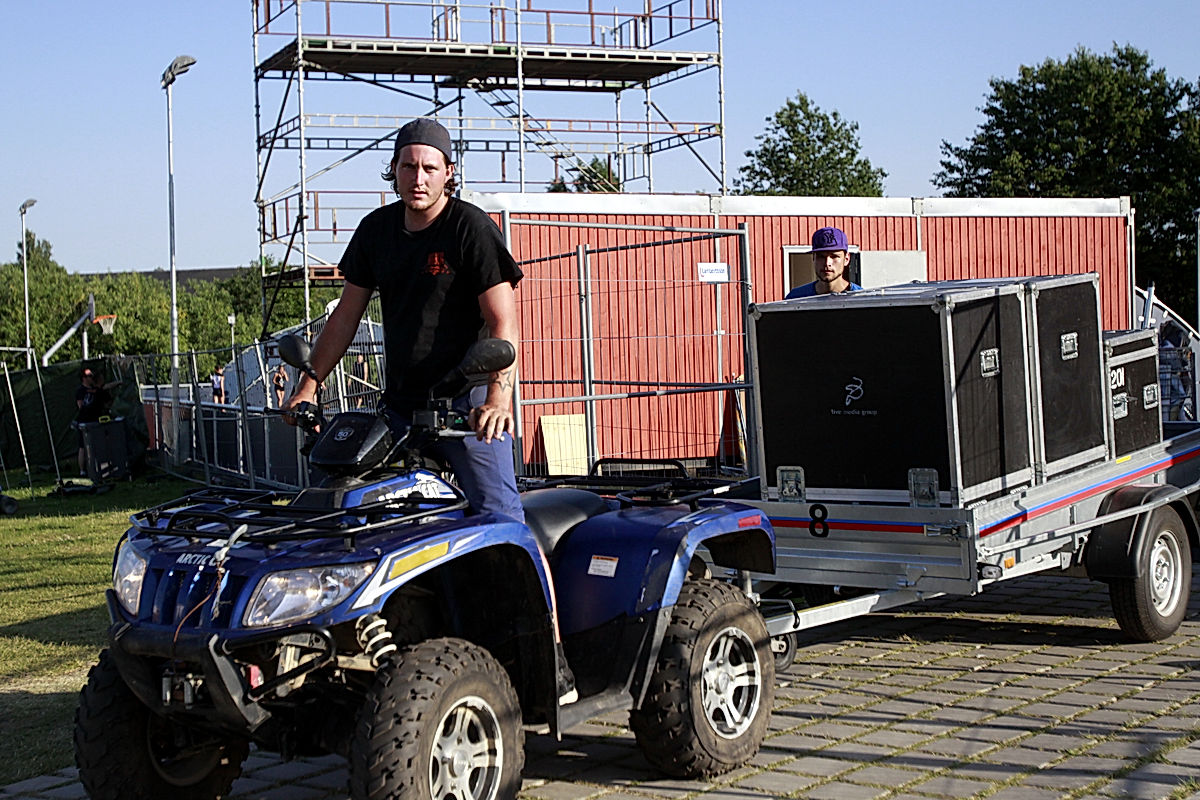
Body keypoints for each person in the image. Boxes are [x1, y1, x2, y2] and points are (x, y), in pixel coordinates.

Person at [282, 118, 525, 523]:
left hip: (466, 404)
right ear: (394, 170)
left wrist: (497, 401)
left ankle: (525, 564)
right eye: (409, 166)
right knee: (344, 508)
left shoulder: (470, 227)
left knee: (499, 517)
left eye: (430, 168)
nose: (418, 178)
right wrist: (308, 386)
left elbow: (504, 324)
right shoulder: (376, 231)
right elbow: (344, 317)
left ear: (448, 173)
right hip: (399, 406)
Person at [785, 226, 863, 298]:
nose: (827, 263)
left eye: (834, 256)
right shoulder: (796, 298)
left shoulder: (861, 298)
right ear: (813, 258)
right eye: (821, 257)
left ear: (846, 259)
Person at [75, 367, 116, 476]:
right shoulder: (80, 390)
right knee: (83, 446)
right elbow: (80, 406)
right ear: (84, 378)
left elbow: (105, 388)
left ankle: (97, 467)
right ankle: (82, 470)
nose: (91, 378)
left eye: (92, 376)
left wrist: (118, 383)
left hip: (95, 420)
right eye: (89, 376)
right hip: (84, 421)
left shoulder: (97, 389)